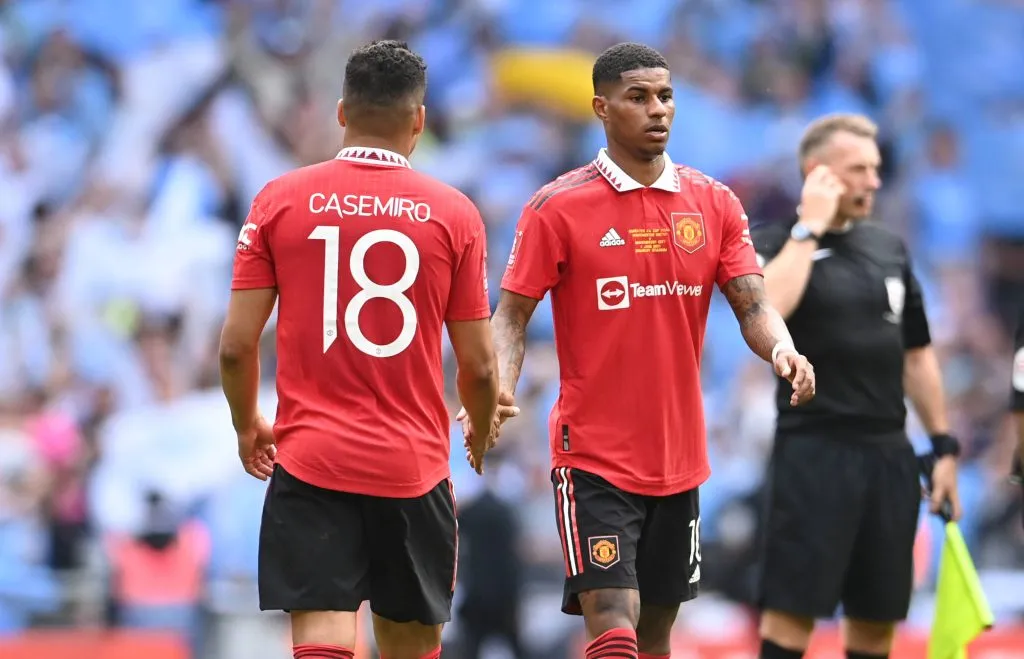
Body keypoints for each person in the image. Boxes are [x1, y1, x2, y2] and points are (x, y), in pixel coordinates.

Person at [461, 42, 816, 659]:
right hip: (593, 457)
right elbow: (512, 316)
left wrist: (783, 350)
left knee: (654, 636)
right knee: (614, 624)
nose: (658, 110)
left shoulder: (714, 203)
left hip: (679, 458)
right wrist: (495, 389)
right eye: (639, 97)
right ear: (601, 108)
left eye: (666, 95)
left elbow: (753, 305)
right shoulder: (557, 207)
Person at [218, 40, 501, 659]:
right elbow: (478, 365)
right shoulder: (455, 215)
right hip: (413, 467)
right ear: (419, 121)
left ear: (342, 111)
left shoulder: (279, 200)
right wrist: (478, 432)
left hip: (311, 461)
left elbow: (237, 346)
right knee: (409, 647)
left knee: (321, 644)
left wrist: (247, 425)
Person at [750, 113, 962, 659]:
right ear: (817, 173)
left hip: (889, 456)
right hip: (813, 451)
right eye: (858, 169)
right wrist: (808, 227)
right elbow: (767, 307)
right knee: (790, 617)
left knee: (876, 623)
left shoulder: (889, 249)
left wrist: (941, 446)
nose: (873, 181)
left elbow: (917, 356)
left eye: (876, 168)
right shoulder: (773, 241)